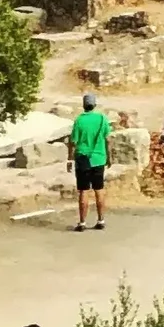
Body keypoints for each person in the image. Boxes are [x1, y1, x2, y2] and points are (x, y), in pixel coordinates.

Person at [68, 93, 114, 228]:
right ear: (94, 105)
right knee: (99, 189)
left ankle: (82, 222)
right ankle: (101, 220)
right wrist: (109, 157)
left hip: (83, 158)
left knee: (83, 190)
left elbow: (73, 141)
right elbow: (108, 139)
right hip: (99, 158)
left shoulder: (79, 120)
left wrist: (69, 158)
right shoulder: (102, 119)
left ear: (83, 105)